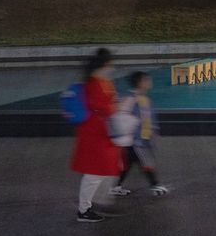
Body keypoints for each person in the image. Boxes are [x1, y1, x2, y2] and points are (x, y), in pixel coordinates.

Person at [71, 47, 125, 222]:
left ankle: (89, 204)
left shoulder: (100, 81)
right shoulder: (96, 83)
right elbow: (104, 106)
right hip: (96, 132)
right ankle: (84, 210)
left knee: (100, 170)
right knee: (94, 173)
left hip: (100, 132)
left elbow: (109, 104)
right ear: (106, 63)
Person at [110, 71, 167, 197]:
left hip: (140, 139)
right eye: (146, 80)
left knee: (127, 165)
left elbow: (148, 118)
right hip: (137, 140)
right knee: (147, 162)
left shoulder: (142, 99)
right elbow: (123, 118)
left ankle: (115, 187)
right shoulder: (132, 99)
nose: (149, 82)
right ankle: (155, 185)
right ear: (140, 83)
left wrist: (153, 130)